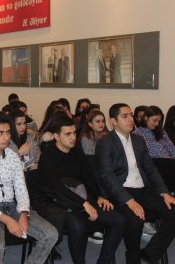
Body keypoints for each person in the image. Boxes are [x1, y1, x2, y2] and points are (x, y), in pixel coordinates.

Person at [95, 103, 175, 264]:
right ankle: (133, 258)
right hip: (119, 191)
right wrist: (129, 201)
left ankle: (151, 252)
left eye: (131, 115)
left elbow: (150, 169)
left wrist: (164, 193)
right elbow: (107, 176)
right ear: (113, 121)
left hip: (142, 189)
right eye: (125, 116)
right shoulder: (106, 142)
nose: (131, 119)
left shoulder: (138, 140)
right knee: (135, 220)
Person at [0, 111, 58, 264]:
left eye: (8, 132)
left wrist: (23, 213)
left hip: (11, 206)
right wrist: (8, 221)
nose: (6, 137)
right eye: (0, 133)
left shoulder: (13, 156)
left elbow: (21, 190)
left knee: (51, 234)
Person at [38, 112, 125, 264]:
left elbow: (88, 177)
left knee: (119, 220)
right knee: (78, 226)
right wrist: (83, 204)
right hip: (58, 202)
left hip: (80, 195)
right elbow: (56, 188)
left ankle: (103, 261)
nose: (73, 137)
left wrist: (99, 196)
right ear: (56, 136)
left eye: (74, 133)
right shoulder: (48, 156)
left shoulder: (76, 150)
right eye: (68, 134)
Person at [133, 105, 175, 236]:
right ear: (145, 118)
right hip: (152, 167)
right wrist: (164, 159)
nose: (157, 123)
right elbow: (143, 157)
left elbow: (172, 149)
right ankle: (173, 213)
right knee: (168, 167)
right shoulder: (137, 134)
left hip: (167, 164)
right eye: (154, 120)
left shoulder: (161, 132)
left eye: (159, 121)